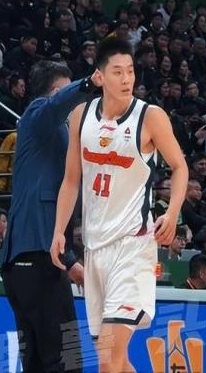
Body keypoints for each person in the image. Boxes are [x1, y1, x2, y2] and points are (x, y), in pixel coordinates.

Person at [50, 38, 188, 372]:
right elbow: (71, 180)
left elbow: (180, 167)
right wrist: (58, 230)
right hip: (95, 248)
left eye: (130, 71)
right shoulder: (80, 116)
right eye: (117, 72)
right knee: (116, 360)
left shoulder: (150, 117)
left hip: (132, 246)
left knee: (108, 356)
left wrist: (172, 213)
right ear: (99, 76)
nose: (127, 79)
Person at [0, 60, 100, 373]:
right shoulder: (37, 114)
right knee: (66, 361)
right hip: (37, 257)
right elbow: (57, 104)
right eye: (69, 91)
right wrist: (90, 83)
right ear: (57, 92)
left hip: (28, 261)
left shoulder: (59, 133)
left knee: (37, 363)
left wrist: (70, 261)